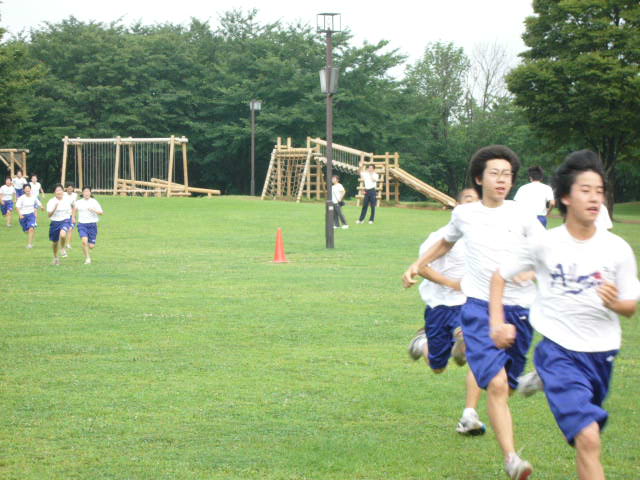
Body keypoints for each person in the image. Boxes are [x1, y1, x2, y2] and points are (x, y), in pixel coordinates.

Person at [490, 150, 640, 480]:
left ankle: (544, 381)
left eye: (599, 191)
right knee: (588, 438)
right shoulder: (545, 244)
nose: (595, 198)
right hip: (559, 352)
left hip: (602, 355)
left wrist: (615, 303)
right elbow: (500, 276)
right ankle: (548, 375)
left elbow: (630, 306)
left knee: (588, 440)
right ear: (566, 198)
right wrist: (497, 323)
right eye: (585, 190)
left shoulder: (617, 249)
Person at [402, 145, 544, 480]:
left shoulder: (523, 215)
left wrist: (531, 271)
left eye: (507, 175)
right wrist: (417, 265)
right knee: (496, 384)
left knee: (507, 386)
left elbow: (546, 251)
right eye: (495, 173)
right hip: (479, 307)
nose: (502, 180)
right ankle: (512, 459)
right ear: (479, 179)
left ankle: (524, 381)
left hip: (519, 310)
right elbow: (445, 243)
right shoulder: (465, 215)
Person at [407, 187, 486, 436]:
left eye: (477, 202)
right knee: (437, 366)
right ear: (457, 207)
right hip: (439, 305)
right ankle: (422, 343)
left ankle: (470, 415)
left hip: (469, 303)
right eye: (468, 201)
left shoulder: (482, 238)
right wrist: (452, 284)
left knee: (477, 350)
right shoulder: (439, 237)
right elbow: (422, 267)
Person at [75, 186, 104, 264]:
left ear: (90, 193)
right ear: (82, 193)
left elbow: (101, 213)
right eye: (85, 191)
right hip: (82, 224)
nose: (86, 193)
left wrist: (94, 210)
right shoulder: (79, 202)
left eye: (88, 191)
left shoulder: (94, 202)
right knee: (84, 241)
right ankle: (87, 258)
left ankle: (86, 247)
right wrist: (73, 218)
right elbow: (74, 209)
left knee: (91, 246)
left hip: (92, 225)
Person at [47, 184, 74, 265]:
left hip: (65, 220)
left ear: (63, 191)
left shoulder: (67, 200)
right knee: (55, 242)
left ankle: (62, 248)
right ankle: (56, 258)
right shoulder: (51, 201)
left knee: (63, 235)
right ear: (54, 192)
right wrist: (54, 208)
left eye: (60, 190)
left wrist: (72, 217)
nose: (59, 192)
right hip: (55, 222)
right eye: (57, 190)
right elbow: (49, 215)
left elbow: (72, 209)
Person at [15, 183, 43, 248]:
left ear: (30, 189)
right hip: (23, 216)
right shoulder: (21, 198)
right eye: (26, 188)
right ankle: (29, 232)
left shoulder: (34, 197)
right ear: (23, 190)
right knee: (26, 231)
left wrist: (42, 207)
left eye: (28, 188)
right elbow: (17, 207)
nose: (27, 189)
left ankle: (29, 244)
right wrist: (20, 214)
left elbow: (38, 202)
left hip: (31, 215)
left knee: (31, 229)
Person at [63, 183, 78, 251]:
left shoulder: (75, 195)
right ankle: (62, 243)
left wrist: (74, 217)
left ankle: (68, 244)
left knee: (70, 229)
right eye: (68, 188)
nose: (70, 190)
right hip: (63, 215)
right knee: (64, 230)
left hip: (71, 215)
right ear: (66, 189)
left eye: (71, 189)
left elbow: (75, 206)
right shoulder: (63, 194)